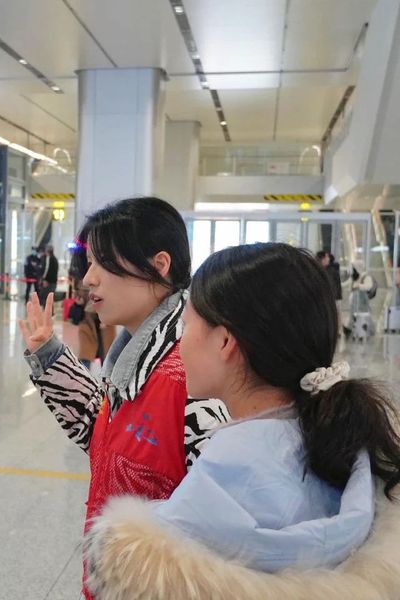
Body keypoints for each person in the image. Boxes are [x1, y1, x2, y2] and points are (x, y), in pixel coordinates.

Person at [85, 243, 400, 600]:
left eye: (186, 327)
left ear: (225, 342)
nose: (179, 345)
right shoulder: (343, 449)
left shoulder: (221, 482)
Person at [19, 197, 229, 600]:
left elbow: (220, 532)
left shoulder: (191, 377)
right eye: (89, 263)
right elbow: (110, 443)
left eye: (104, 263)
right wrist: (49, 358)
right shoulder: (136, 362)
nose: (89, 279)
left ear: (159, 265)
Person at [67, 243, 115, 370]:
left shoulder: (98, 270)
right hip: (89, 317)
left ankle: (106, 377)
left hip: (103, 318)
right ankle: (86, 376)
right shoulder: (83, 273)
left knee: (107, 353)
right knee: (88, 352)